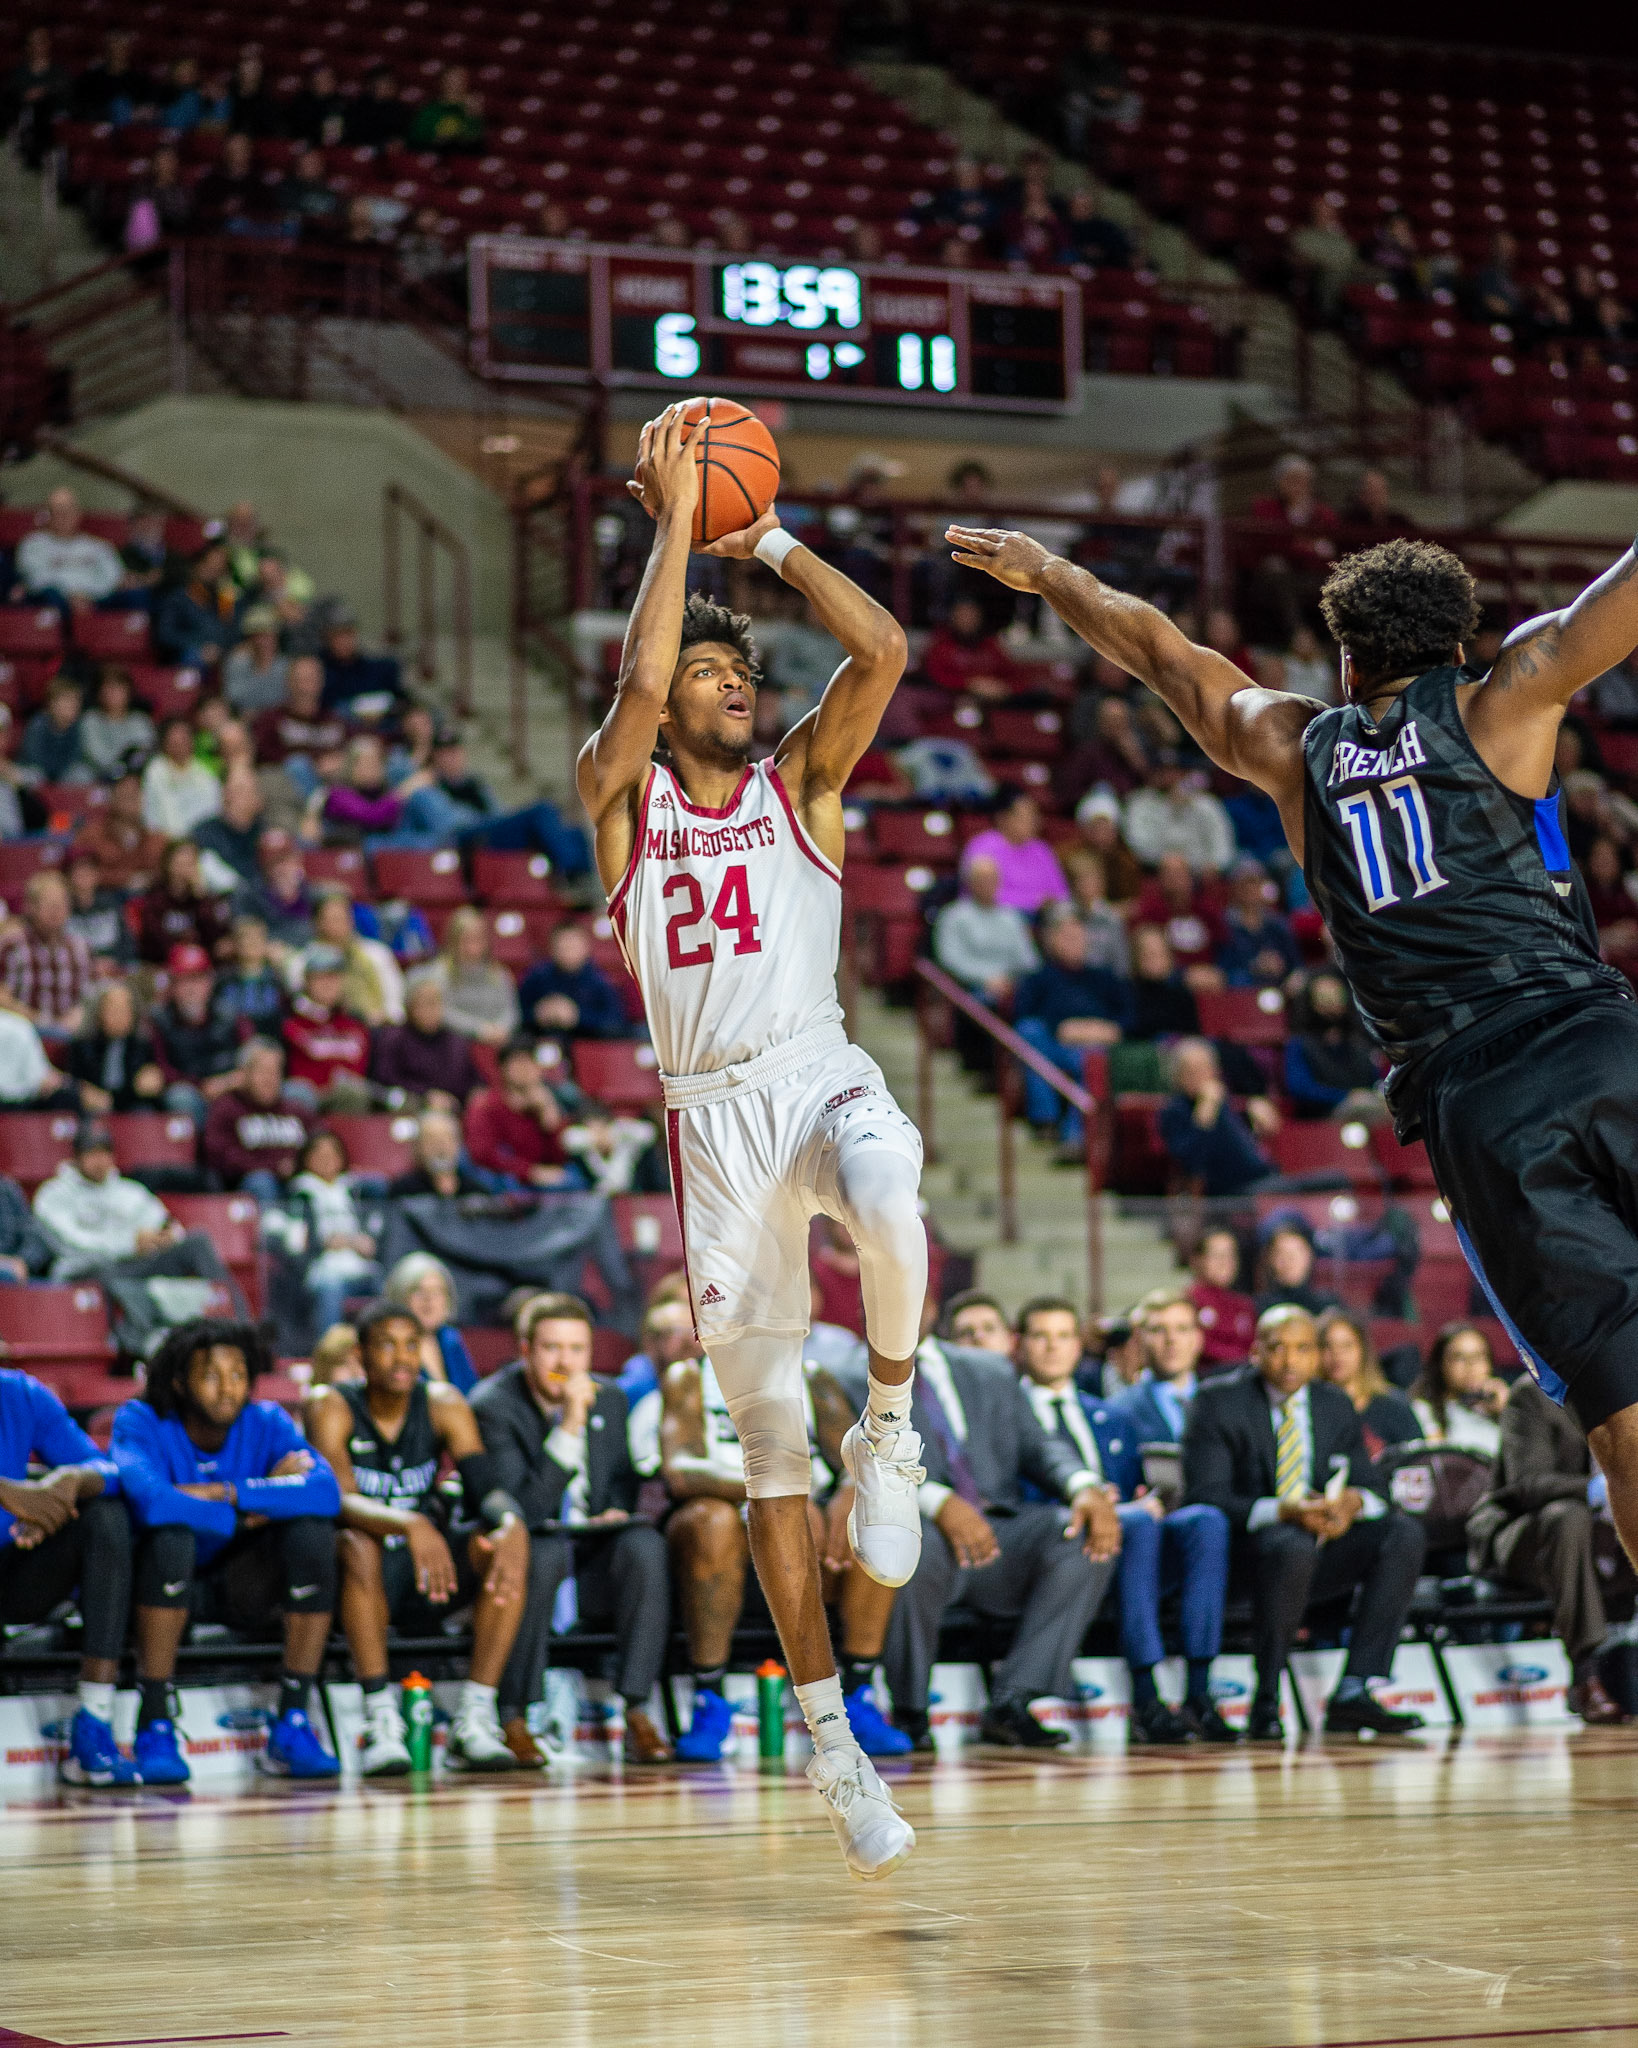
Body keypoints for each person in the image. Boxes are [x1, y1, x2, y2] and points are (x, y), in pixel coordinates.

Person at [945, 503, 1638, 1607]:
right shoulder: (1510, 694)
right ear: (1458, 642)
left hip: (1479, 1100)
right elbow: (1621, 595)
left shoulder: (1290, 744)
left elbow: (1155, 647)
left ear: (1346, 658)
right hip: (1605, 1042)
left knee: (1620, 1399)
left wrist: (1048, 572)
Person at [575, 402, 931, 1878]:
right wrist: (673, 521)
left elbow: (886, 653)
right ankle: (829, 1741)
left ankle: (895, 1428)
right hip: (707, 1123)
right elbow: (639, 671)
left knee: (896, 1196)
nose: (726, 687)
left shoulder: (803, 787)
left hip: (811, 1067)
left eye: (739, 673)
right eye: (707, 674)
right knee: (771, 1448)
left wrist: (764, 533)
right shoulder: (620, 801)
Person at [874, 1300, 1120, 1753]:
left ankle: (1013, 1700)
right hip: (920, 1527)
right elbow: (862, 1463)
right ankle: (910, 1712)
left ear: (930, 1305)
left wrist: (1084, 1486)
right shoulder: (851, 1372)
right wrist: (940, 1502)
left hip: (1002, 1532)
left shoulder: (987, 1368)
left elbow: (1039, 1446)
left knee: (1080, 1532)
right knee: (904, 1551)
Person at [111, 1318, 342, 1783]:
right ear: (180, 1381)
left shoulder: (267, 1421)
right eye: (211, 1376)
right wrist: (248, 1509)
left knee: (314, 1534)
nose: (228, 1389)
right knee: (171, 1536)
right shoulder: (141, 1419)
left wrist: (223, 1492)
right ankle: (154, 1721)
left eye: (238, 1375)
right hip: (156, 1584)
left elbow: (325, 1493)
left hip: (240, 1582)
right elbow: (153, 1502)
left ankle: (293, 1721)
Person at [305, 1298, 530, 1773]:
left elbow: (485, 1488)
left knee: (503, 1547)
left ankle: (476, 1716)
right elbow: (338, 1499)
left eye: (412, 1345)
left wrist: (511, 1524)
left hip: (430, 1571)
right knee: (357, 1543)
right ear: (361, 1354)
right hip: (363, 1577)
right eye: (386, 1345)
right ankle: (381, 1720)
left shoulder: (444, 1403)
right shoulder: (331, 1404)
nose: (402, 1357)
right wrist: (409, 1522)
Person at [1181, 1305, 1426, 1739]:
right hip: (1246, 1558)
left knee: (1402, 1533)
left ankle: (1356, 1687)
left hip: (1321, 1551)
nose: (1291, 1361)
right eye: (1278, 1349)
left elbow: (1372, 1486)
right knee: (1291, 1543)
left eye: (1303, 1349)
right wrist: (1287, 1509)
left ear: (1317, 1357)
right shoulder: (1217, 1402)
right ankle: (1266, 1699)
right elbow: (1207, 1495)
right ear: (1256, 1352)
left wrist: (1351, 1504)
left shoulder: (1333, 1404)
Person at [656, 1340, 905, 1763]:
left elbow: (861, 1458)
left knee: (874, 1515)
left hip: (809, 1522)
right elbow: (681, 1471)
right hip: (730, 1513)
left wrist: (849, 1493)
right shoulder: (691, 1376)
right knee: (710, 1524)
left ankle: (860, 1691)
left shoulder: (811, 1376)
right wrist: (777, 1494)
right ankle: (708, 1698)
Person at [1017, 1296, 1234, 1745]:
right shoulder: (1008, 1413)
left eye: (1063, 1337)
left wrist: (1142, 1501)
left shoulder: (1112, 1416)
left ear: (1078, 1347)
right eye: (1041, 1337)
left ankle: (1198, 1692)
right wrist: (1105, 1508)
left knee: (1205, 1521)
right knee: (1135, 1527)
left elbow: (1137, 1487)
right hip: (1069, 1545)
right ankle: (1147, 1696)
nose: (1053, 1348)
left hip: (1135, 1546)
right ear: (1020, 1345)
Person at [470, 1293, 674, 1767]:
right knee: (536, 1553)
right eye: (551, 1348)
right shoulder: (492, 1406)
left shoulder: (613, 1398)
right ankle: (514, 1716)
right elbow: (522, 1511)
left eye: (577, 1349)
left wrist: (616, 1512)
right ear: (525, 1351)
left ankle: (638, 1710)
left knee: (644, 1545)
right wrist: (571, 1424)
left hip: (590, 1550)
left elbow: (621, 1484)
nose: (566, 1362)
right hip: (528, 1547)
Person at [1466, 1376, 1630, 1725]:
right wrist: (1602, 1489)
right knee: (1569, 1519)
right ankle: (1585, 1676)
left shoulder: (1626, 1394)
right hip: (1522, 1532)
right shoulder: (1533, 1395)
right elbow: (1527, 1483)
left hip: (1602, 1537)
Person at [0, 1366, 137, 1786]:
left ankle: (95, 1722)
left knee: (104, 1515)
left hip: (12, 1568)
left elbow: (113, 1472)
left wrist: (65, 1487)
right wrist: (9, 1493)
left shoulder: (19, 1394)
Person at [34, 1121, 243, 1345]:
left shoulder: (129, 1191)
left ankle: (241, 1329)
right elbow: (72, 1244)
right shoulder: (53, 1195)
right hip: (88, 1270)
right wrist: (130, 1244)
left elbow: (167, 1224)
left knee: (197, 1242)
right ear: (76, 1157)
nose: (100, 1161)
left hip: (137, 1264)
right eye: (92, 1153)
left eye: (105, 1153)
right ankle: (141, 1345)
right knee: (111, 1278)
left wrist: (164, 1237)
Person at [1011, 911, 1130, 1150]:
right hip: (1053, 1043)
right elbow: (1023, 1012)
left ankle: (1075, 1137)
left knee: (1091, 1059)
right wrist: (1061, 1028)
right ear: (1051, 941)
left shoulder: (1104, 977)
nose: (1073, 942)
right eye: (1066, 937)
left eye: (1078, 937)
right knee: (1029, 1032)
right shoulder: (1039, 978)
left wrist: (1104, 1030)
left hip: (1095, 1044)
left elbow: (1129, 1014)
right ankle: (1046, 1119)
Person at [284, 1129, 381, 1338]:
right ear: (306, 1160)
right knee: (330, 1289)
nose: (327, 1160)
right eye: (319, 1155)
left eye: (332, 1154)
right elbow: (295, 1246)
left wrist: (368, 1243)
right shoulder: (299, 1197)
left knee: (391, 1283)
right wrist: (323, 1244)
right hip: (323, 1271)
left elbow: (375, 1229)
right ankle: (330, 1349)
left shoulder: (356, 1191)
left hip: (361, 1268)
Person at [1158, 1037, 1281, 1199]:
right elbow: (1192, 1162)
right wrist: (1205, 1113)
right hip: (1231, 1192)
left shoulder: (1221, 1103)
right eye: (1192, 1071)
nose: (1201, 1076)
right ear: (1178, 1076)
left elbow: (1240, 1148)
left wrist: (1257, 1121)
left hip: (1263, 1179)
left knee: (1322, 1181)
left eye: (1205, 1069)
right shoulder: (1174, 1110)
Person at [202, 1037, 313, 1199]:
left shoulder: (295, 1109)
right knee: (262, 1181)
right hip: (248, 1188)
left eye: (275, 1072)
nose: (270, 1079)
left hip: (296, 1179)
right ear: (244, 1074)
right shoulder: (226, 1108)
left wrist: (298, 1166)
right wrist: (274, 1167)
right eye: (262, 1072)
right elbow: (220, 1157)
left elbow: (319, 1142)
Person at [149, 943, 244, 1125]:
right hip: (188, 1092)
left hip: (228, 1088)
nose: (192, 989)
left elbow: (253, 1056)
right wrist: (201, 1087)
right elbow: (161, 1070)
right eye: (184, 981)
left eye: (198, 979)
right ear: (172, 986)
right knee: (181, 1097)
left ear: (209, 983)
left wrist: (226, 1082)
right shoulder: (159, 1021)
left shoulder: (231, 1016)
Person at [463, 1038, 572, 1188]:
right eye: (518, 1062)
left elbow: (559, 1159)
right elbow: (482, 1155)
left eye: (530, 1062)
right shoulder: (485, 1105)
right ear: (503, 1068)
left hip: (544, 1180)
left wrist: (551, 1124)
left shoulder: (546, 1101)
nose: (525, 1069)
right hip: (504, 1181)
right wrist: (529, 1172)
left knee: (574, 1180)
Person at [370, 970, 483, 1107]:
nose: (431, 1010)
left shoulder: (457, 1043)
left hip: (454, 1109)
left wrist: (476, 1095)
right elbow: (384, 1080)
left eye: (436, 1003)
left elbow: (475, 1083)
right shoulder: (394, 1039)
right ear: (410, 1006)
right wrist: (424, 1095)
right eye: (425, 1003)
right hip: (410, 1109)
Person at [1317, 1309, 1420, 1458]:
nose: (1337, 1354)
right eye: (1327, 1346)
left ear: (1363, 1350)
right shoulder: (1308, 1407)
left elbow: (1417, 1462)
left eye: (1347, 1346)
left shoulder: (1394, 1405)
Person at [0, 869, 93, 1033]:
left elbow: (88, 998)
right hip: (22, 1034)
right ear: (31, 907)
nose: (56, 911)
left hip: (69, 1039)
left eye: (61, 904)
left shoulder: (80, 947)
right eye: (49, 905)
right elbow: (2, 997)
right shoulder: (11, 945)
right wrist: (36, 1019)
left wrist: (81, 1014)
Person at [1284, 971, 1384, 1122]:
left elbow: (1375, 1082)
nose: (1332, 1003)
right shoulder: (1300, 1044)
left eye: (1337, 997)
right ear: (1312, 1003)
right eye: (1324, 998)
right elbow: (1300, 1088)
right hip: (1322, 1118)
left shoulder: (1359, 1046)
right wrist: (1346, 1096)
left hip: (1366, 1111)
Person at [282, 947, 372, 1107]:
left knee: (353, 1091)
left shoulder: (355, 1023)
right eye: (321, 977)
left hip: (347, 1099)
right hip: (306, 1098)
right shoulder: (290, 1020)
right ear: (307, 981)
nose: (328, 984)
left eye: (334, 977)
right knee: (297, 1093)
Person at [63, 979, 166, 1117]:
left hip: (131, 1105)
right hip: (90, 1110)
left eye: (125, 1009)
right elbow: (71, 1082)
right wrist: (82, 1091)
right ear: (99, 1013)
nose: (119, 1016)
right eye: (113, 1009)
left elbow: (149, 1083)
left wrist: (154, 1079)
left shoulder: (144, 1045)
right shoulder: (82, 1045)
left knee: (144, 1112)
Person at [11, 489, 122, 616]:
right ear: (47, 515)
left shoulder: (99, 546)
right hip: (54, 601)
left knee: (134, 596)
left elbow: (113, 577)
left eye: (68, 511)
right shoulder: (32, 544)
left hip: (97, 600)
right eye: (57, 512)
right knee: (49, 595)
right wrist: (70, 595)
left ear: (78, 514)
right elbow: (35, 578)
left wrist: (87, 596)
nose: (63, 517)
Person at [518, 922, 629, 1043]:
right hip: (541, 1044)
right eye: (563, 946)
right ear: (552, 948)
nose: (568, 951)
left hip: (588, 1046)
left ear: (586, 948)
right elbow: (516, 1015)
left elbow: (615, 1024)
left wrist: (577, 1016)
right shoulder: (537, 977)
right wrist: (538, 1014)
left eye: (573, 946)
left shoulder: (600, 981)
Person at [959, 793, 1070, 913]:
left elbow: (1061, 893)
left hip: (1043, 918)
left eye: (1034, 817)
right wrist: (1034, 901)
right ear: (1003, 818)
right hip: (993, 915)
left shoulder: (1041, 849)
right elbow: (983, 892)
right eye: (1026, 817)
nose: (1034, 823)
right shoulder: (982, 846)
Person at [382, 1251, 476, 1393]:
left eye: (437, 1291)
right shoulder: (387, 1343)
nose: (428, 1299)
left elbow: (471, 1393)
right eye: (418, 1290)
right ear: (399, 1296)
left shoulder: (451, 1339)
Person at [1410, 1322, 1510, 1456]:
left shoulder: (1498, 1408)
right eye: (1459, 1357)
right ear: (1440, 1364)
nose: (1470, 1366)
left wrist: (1507, 1411)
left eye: (1479, 1356)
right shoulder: (1423, 1411)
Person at [133, 839, 234, 967]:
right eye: (180, 863)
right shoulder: (155, 900)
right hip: (166, 965)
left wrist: (201, 898)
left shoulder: (204, 900)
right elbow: (154, 941)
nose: (185, 869)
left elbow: (216, 939)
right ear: (168, 865)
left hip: (204, 965)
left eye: (190, 863)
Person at [430, 905, 520, 1045]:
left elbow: (511, 1011)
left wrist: (501, 1029)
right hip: (455, 1044)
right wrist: (479, 1030)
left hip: (498, 1041)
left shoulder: (499, 973)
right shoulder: (440, 972)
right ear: (454, 941)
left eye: (478, 939)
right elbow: (442, 1011)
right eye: (467, 939)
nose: (473, 946)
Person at [73, 769, 167, 893]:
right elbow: (79, 874)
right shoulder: (91, 836)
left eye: (136, 791)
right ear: (111, 797)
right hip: (103, 903)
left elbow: (170, 872)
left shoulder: (157, 839)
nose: (131, 795)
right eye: (124, 790)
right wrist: (125, 879)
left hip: (149, 903)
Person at [386, 1107, 493, 1202]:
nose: (440, 1147)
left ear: (458, 1145)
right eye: (432, 1140)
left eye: (446, 1139)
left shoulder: (477, 1192)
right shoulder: (402, 1190)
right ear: (418, 1147)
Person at [1186, 1229, 1257, 1370]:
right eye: (1216, 1255)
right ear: (1197, 1260)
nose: (1224, 1262)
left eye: (1230, 1255)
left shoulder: (1244, 1305)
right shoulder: (1188, 1302)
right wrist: (1243, 1358)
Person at [142, 716, 222, 840]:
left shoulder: (203, 772)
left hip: (202, 839)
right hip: (167, 840)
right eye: (174, 740)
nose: (179, 743)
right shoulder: (156, 770)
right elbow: (156, 813)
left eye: (184, 738)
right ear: (164, 742)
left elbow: (213, 809)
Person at [78, 667, 155, 783]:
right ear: (99, 692)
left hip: (134, 778)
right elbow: (96, 756)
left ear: (128, 692)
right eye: (108, 688)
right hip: (100, 777)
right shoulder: (90, 720)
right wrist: (119, 767)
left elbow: (143, 753)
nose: (113, 693)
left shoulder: (140, 720)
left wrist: (128, 770)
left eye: (119, 687)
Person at [1255, 1221, 1341, 1319]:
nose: (1290, 1260)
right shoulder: (1256, 1309)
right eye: (1281, 1253)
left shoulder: (1328, 1308)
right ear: (1270, 1259)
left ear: (1310, 1256)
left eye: (1296, 1252)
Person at [20, 675, 90, 787]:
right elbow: (34, 758)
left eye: (76, 701)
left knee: (81, 773)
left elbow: (75, 757)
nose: (73, 705)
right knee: (34, 776)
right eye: (67, 700)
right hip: (37, 770)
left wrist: (61, 774)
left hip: (63, 774)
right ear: (52, 704)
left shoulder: (77, 727)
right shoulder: (38, 725)